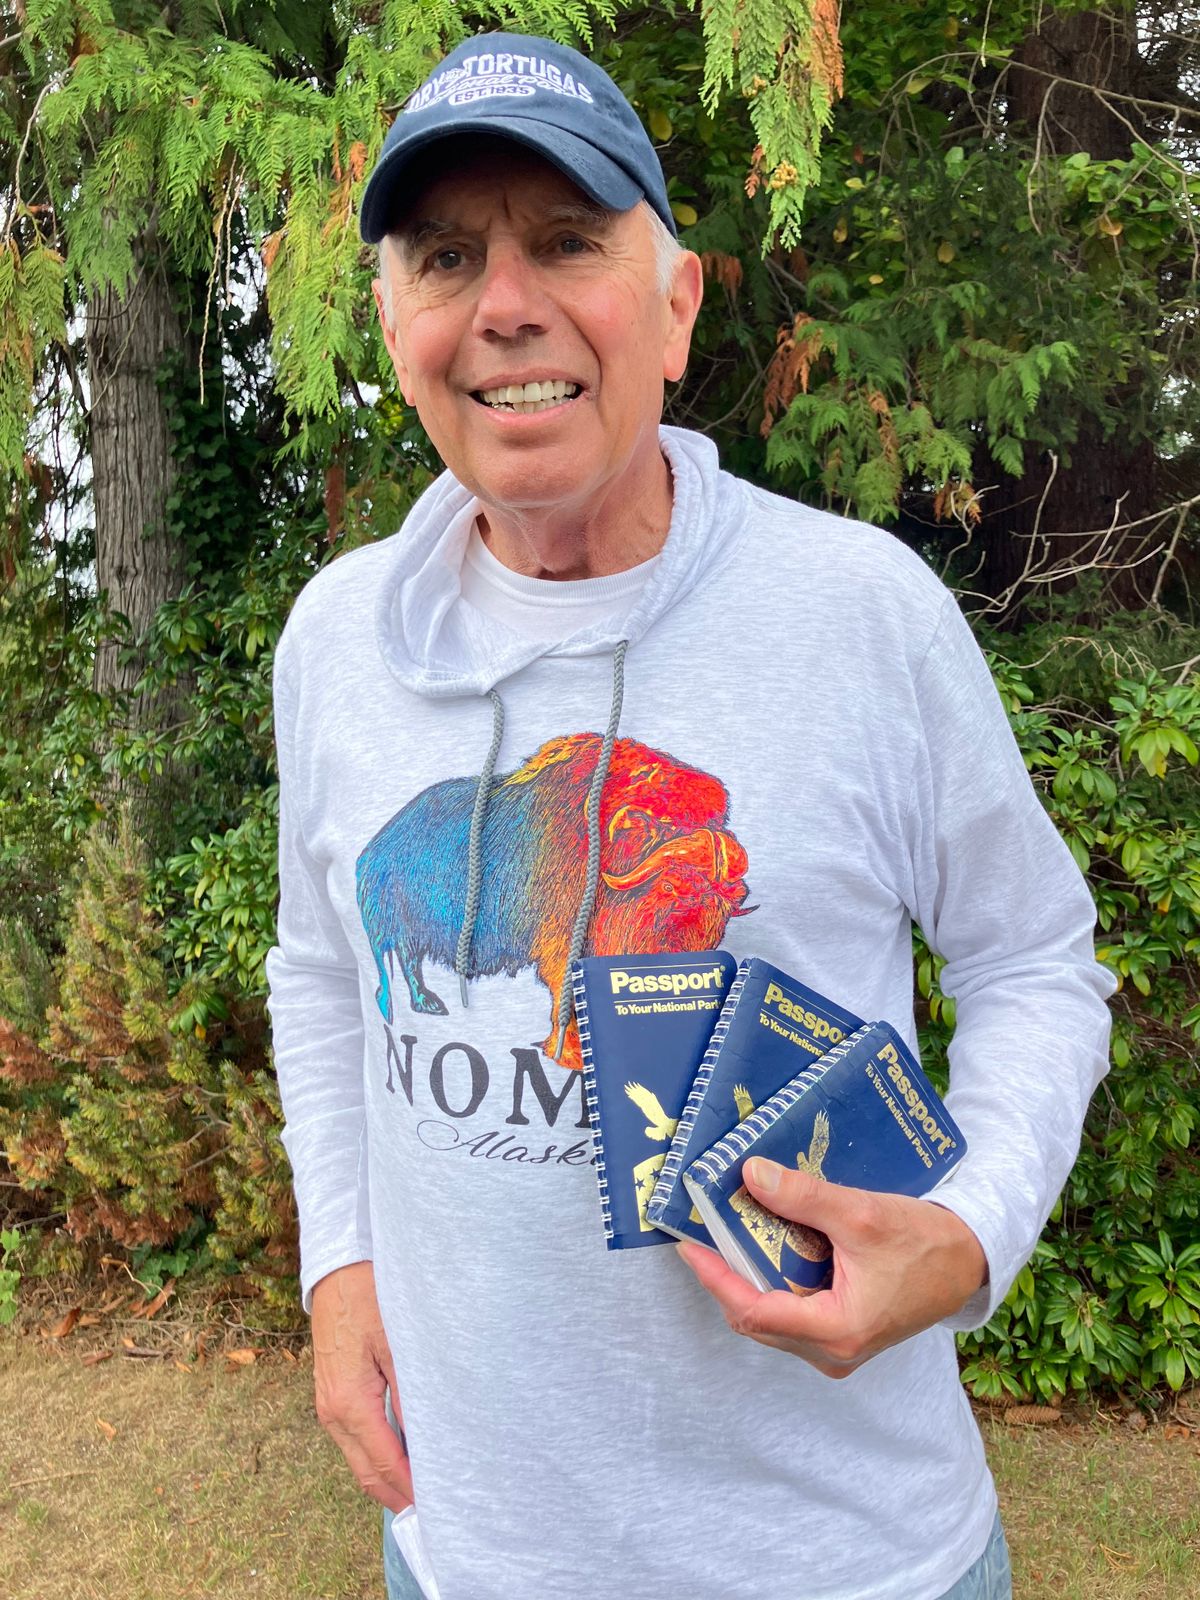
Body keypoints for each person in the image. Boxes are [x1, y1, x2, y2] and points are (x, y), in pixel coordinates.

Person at [264, 31, 1114, 1600]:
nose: (505, 302)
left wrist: (973, 1230)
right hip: (464, 1555)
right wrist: (339, 1268)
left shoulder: (863, 614)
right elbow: (320, 971)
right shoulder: (338, 641)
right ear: (393, 321)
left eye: (568, 242)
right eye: (447, 255)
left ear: (677, 303)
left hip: (851, 1561)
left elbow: (1037, 964)